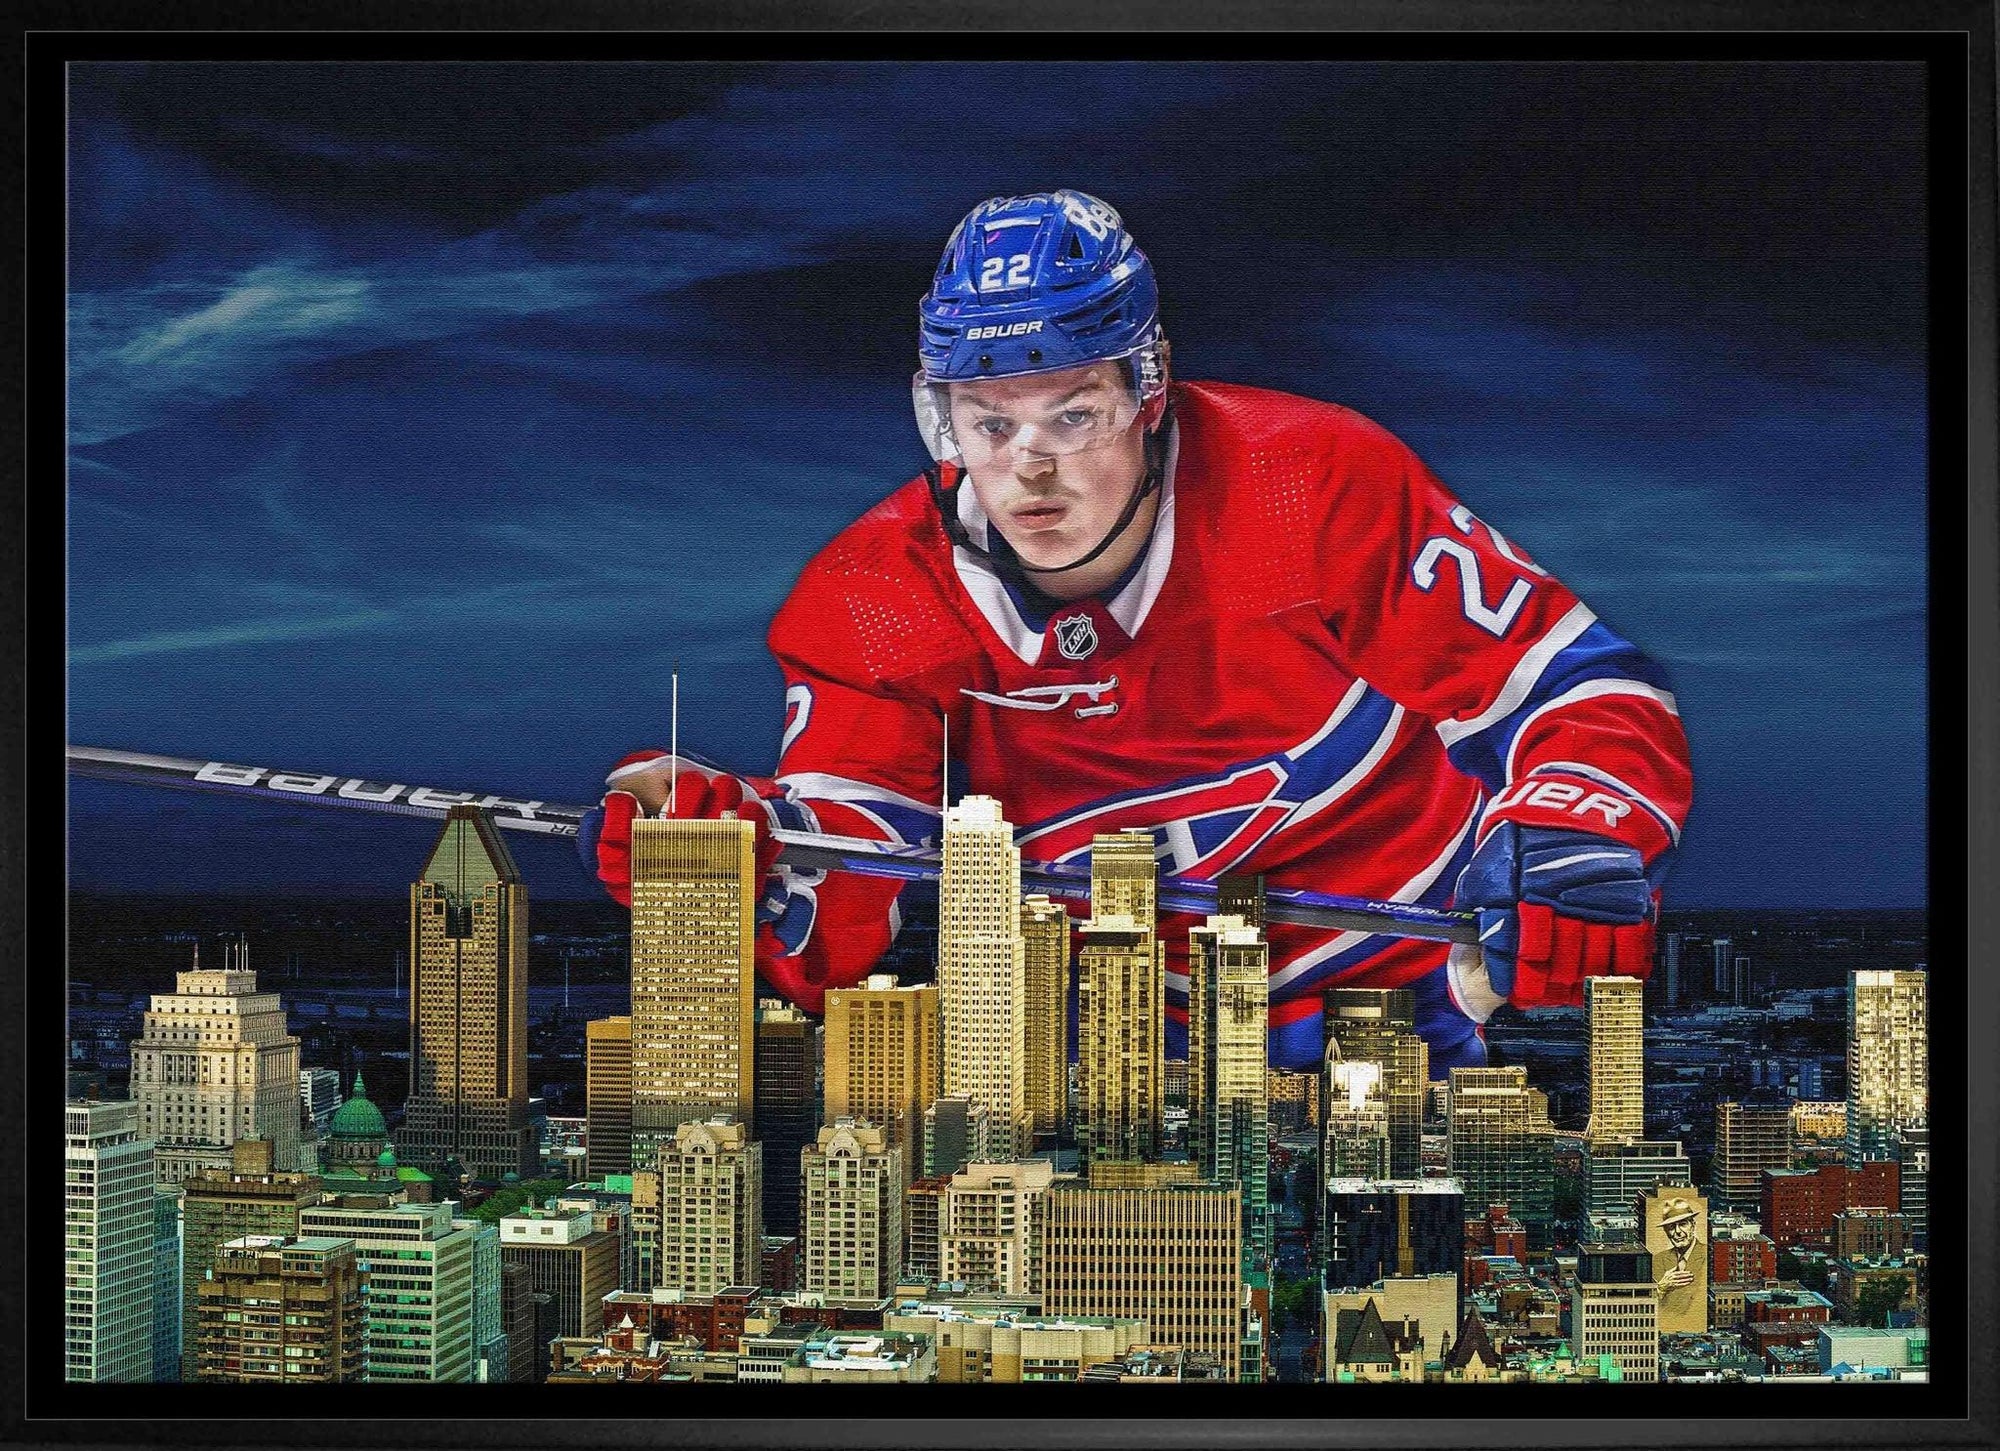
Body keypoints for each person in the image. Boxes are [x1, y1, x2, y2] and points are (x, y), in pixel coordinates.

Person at [582, 188, 1692, 1071]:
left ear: (1148, 390)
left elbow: (1577, 688)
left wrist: (1567, 823)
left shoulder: (1300, 485)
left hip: (1401, 999)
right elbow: (848, 895)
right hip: (1115, 1050)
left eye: (1073, 412)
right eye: (988, 419)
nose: (1029, 464)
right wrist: (738, 857)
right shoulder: (876, 595)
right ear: (941, 415)